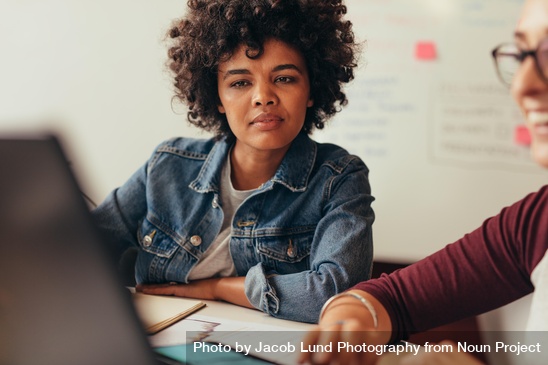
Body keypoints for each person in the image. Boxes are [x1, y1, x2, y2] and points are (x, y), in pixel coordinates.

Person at [92, 0, 374, 323]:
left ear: (311, 89)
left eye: (284, 78)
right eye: (240, 82)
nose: (262, 96)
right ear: (218, 98)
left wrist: (217, 288)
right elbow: (82, 247)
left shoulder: (339, 178)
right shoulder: (167, 167)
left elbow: (337, 296)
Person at [299, 0, 548, 362]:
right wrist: (352, 317)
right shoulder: (537, 220)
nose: (523, 85)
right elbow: (395, 299)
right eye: (522, 55)